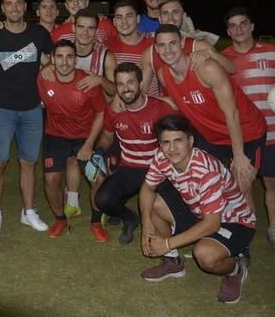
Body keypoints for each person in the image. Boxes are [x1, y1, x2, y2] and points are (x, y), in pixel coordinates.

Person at [139, 115, 255, 304]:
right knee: (152, 203)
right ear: (160, 144)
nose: (172, 148)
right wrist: (146, 223)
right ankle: (173, 263)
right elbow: (147, 188)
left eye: (178, 141)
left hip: (234, 221)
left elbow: (212, 224)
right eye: (166, 142)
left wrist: (167, 243)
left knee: (205, 255)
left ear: (190, 141)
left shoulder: (205, 170)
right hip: (200, 212)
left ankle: (236, 269)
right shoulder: (162, 157)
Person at [154, 24, 266, 200]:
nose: (167, 50)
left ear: (183, 42)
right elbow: (178, 101)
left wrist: (238, 155)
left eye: (172, 43)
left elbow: (232, 112)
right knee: (201, 183)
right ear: (156, 49)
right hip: (213, 137)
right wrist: (140, 100)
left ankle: (244, 226)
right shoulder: (163, 75)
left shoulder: (206, 69)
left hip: (246, 132)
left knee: (240, 190)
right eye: (161, 45)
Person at [0, 0, 53, 233]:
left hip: (32, 109)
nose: (14, 7)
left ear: (25, 7)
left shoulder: (39, 33)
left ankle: (28, 211)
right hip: (2, 109)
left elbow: (54, 57)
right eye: (9, 4)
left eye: (18, 3)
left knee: (28, 163)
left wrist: (48, 66)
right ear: (3, 8)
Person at [94, 62, 174, 244]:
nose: (125, 88)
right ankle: (130, 218)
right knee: (103, 199)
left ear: (140, 84)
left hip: (158, 170)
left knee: (161, 209)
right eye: (120, 84)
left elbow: (175, 144)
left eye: (130, 82)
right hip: (129, 168)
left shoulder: (160, 109)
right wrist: (97, 152)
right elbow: (107, 138)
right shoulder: (114, 110)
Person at [37, 40, 108, 241]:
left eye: (69, 56)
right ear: (52, 59)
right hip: (55, 136)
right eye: (59, 56)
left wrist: (88, 144)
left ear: (76, 59)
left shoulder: (88, 83)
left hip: (84, 137)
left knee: (99, 179)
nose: (64, 61)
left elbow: (101, 114)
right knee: (51, 179)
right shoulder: (44, 78)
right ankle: (60, 219)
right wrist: (45, 68)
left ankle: (95, 222)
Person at [222, 6, 275, 246]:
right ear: (228, 31)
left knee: (271, 183)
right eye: (233, 25)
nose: (238, 29)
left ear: (252, 26)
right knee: (242, 186)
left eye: (243, 23)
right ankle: (246, 233)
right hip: (244, 136)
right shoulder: (224, 59)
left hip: (273, 133)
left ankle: (273, 229)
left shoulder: (272, 52)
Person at [141, 0, 235, 97]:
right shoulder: (150, 53)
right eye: (165, 13)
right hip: (174, 109)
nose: (170, 17)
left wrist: (211, 53)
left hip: (203, 108)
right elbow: (142, 90)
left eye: (175, 12)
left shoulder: (198, 45)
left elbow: (231, 69)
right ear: (159, 18)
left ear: (183, 15)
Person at [106, 0, 159, 99]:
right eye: (119, 17)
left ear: (138, 18)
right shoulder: (106, 47)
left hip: (150, 106)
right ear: (114, 22)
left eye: (129, 16)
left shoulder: (154, 44)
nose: (124, 21)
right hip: (120, 107)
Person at [51, 0, 116, 45]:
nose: (75, 3)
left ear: (87, 2)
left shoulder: (105, 23)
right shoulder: (58, 32)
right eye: (71, 0)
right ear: (66, 5)